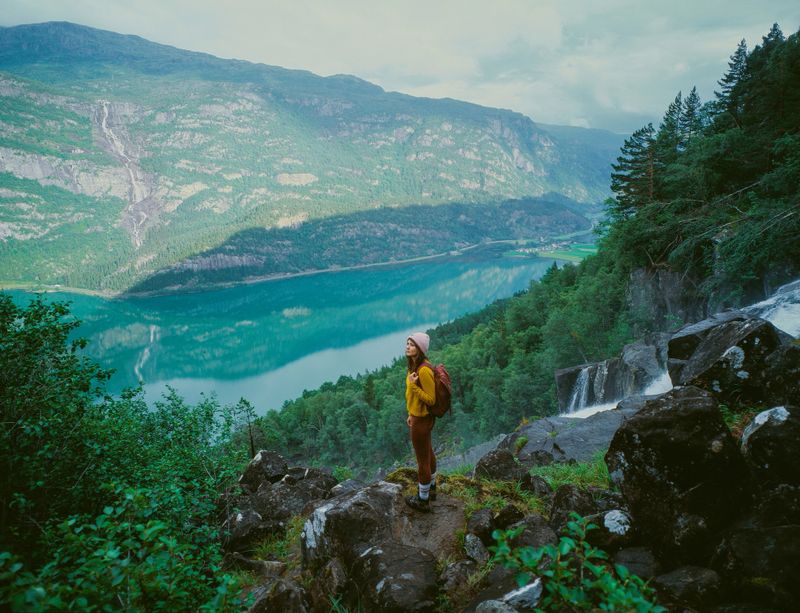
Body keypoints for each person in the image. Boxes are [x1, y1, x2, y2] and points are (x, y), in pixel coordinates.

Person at [404, 332, 437, 512]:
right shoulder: (414, 367)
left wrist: (414, 386)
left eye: (412, 344)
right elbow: (413, 398)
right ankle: (432, 489)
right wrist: (411, 412)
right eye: (407, 343)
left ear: (420, 349)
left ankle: (423, 500)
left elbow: (430, 400)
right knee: (428, 452)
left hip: (422, 421)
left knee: (422, 460)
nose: (408, 346)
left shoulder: (423, 370)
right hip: (418, 417)